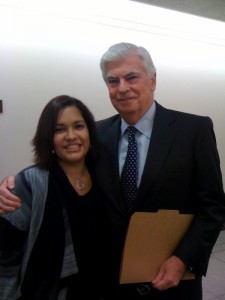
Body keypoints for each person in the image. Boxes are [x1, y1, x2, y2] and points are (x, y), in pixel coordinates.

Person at [1, 43, 225, 300]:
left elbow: (214, 207)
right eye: (112, 80)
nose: (122, 88)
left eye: (131, 77)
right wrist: (12, 184)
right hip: (109, 284)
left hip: (172, 282)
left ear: (152, 80)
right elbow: (62, 172)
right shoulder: (96, 135)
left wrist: (184, 258)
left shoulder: (193, 130)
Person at [0, 95, 107, 300]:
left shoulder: (104, 175)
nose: (71, 136)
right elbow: (6, 254)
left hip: (101, 289)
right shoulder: (29, 183)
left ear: (89, 132)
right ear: (47, 137)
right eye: (59, 129)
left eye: (78, 126)